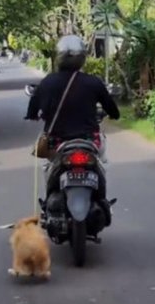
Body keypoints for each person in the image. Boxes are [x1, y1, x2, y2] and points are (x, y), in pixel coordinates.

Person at [24, 35, 120, 218]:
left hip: (56, 142)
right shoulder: (93, 82)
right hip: (89, 140)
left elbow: (32, 110)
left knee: (48, 166)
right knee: (103, 163)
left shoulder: (48, 82)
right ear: (83, 57)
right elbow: (113, 110)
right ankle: (102, 200)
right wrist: (112, 114)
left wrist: (33, 116)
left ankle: (49, 202)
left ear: (58, 56)